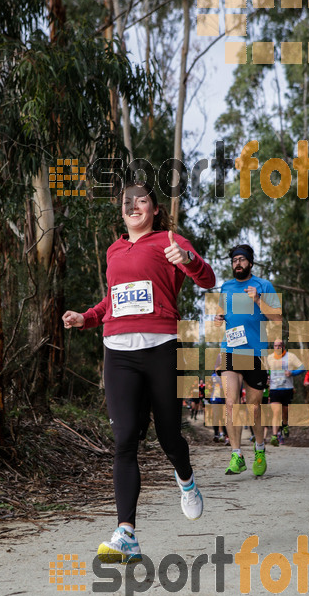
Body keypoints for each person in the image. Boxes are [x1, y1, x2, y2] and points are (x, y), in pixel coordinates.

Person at [62, 181, 216, 563]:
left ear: (155, 209)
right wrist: (86, 318)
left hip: (162, 347)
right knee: (125, 438)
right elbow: (111, 300)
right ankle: (126, 534)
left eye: (142, 200)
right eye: (127, 202)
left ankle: (186, 479)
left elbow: (208, 279)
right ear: (122, 212)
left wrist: (188, 260)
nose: (134, 206)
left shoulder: (169, 240)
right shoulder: (115, 249)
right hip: (118, 352)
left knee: (168, 434)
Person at [214, 244, 282, 477]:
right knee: (231, 403)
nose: (238, 264)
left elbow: (278, 319)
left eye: (242, 260)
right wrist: (219, 317)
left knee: (254, 408)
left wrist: (258, 300)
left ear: (250, 263)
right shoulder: (226, 286)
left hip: (256, 354)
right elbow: (224, 318)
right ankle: (236, 455)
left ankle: (260, 450)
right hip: (231, 351)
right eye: (234, 261)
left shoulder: (264, 286)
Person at [266, 339, 305, 446]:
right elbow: (265, 370)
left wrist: (292, 372)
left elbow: (302, 368)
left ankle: (285, 424)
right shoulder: (269, 358)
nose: (277, 347)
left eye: (280, 345)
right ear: (273, 347)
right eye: (275, 346)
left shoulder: (290, 356)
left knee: (285, 412)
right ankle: (275, 435)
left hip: (287, 389)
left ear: (283, 346)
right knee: (276, 412)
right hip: (274, 389)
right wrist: (267, 378)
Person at [208, 368, 229, 444]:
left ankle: (226, 435)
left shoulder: (226, 374)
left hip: (224, 398)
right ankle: (216, 434)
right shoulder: (213, 376)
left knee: (224, 417)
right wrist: (206, 397)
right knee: (216, 415)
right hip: (215, 398)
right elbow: (208, 387)